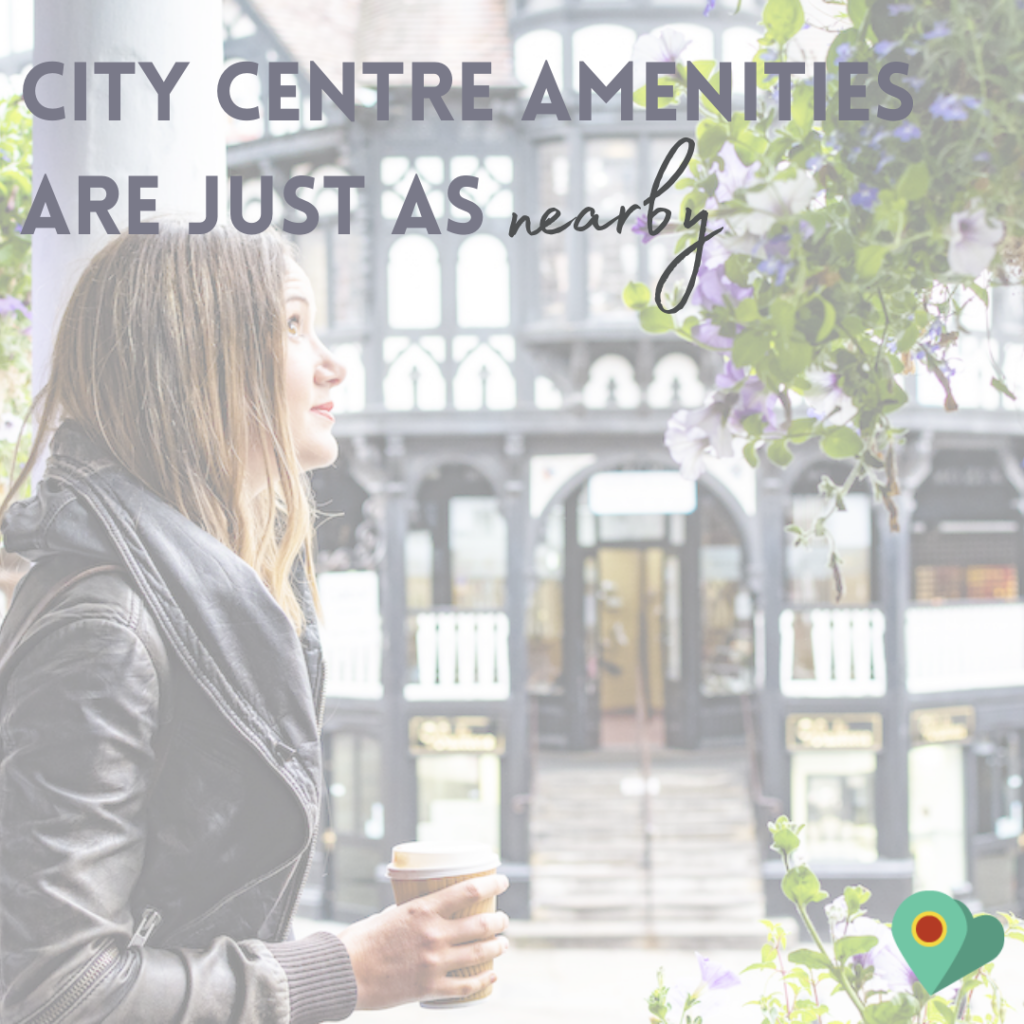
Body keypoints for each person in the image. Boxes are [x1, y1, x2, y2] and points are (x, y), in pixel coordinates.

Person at [0, 223, 509, 1024]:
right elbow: (55, 993)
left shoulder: (191, 600)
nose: (332, 364)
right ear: (200, 357)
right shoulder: (108, 628)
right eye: (294, 325)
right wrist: (352, 970)